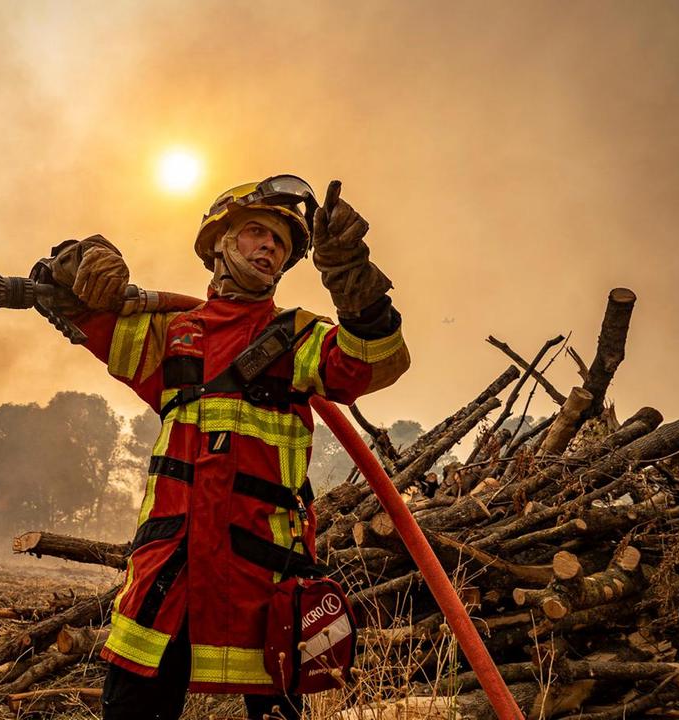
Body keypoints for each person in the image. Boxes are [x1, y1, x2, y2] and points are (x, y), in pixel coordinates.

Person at [41, 175, 411, 720]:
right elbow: (72, 304)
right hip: (166, 577)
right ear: (218, 241)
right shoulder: (170, 335)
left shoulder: (300, 337)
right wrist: (83, 260)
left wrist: (350, 273)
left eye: (281, 244)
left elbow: (375, 360)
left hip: (263, 581)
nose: (269, 248)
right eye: (256, 233)